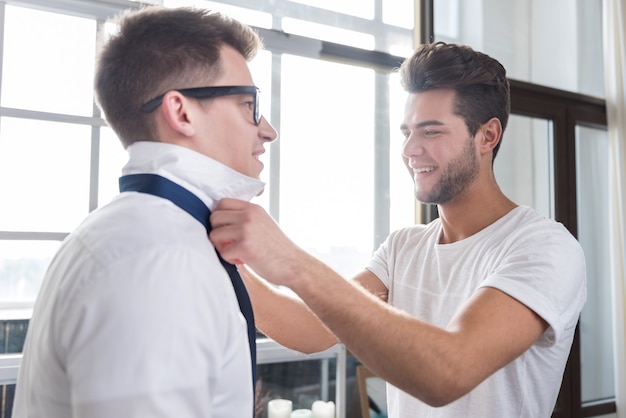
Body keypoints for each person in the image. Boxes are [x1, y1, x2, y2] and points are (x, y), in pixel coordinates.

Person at [209, 42, 586, 417]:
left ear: (487, 136)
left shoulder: (543, 246)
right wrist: (231, 265)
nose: (410, 149)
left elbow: (448, 372)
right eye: (407, 131)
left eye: (432, 132)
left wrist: (291, 261)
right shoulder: (404, 246)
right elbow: (312, 330)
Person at [13, 6, 277, 418]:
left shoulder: (134, 235)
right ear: (181, 112)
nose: (267, 129)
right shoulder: (161, 255)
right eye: (248, 104)